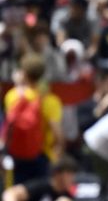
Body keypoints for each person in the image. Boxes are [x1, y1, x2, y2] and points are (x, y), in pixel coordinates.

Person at [2, 54, 64, 185]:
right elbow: (58, 136)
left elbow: (9, 127)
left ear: (23, 73)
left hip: (16, 157)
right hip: (42, 157)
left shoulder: (12, 96)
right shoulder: (50, 101)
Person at [1, 155, 77, 201]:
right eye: (69, 174)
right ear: (58, 174)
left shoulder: (67, 195)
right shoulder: (42, 186)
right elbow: (10, 194)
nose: (72, 179)